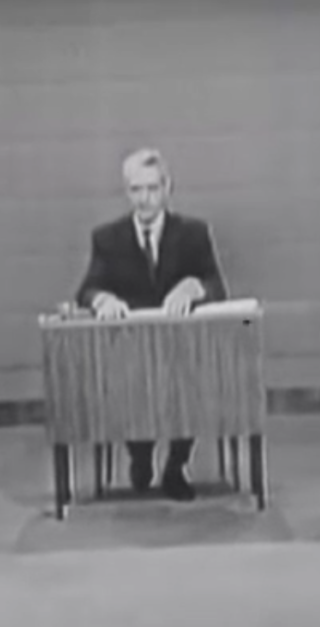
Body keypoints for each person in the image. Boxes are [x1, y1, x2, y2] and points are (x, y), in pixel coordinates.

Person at [75, 148, 228, 501]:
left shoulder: (193, 233)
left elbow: (218, 287)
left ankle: (176, 468)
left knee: (188, 381)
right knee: (130, 381)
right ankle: (140, 457)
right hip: (131, 350)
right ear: (127, 192)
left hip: (181, 348)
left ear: (167, 187)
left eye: (152, 189)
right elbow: (87, 288)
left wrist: (196, 288)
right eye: (136, 190)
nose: (144, 199)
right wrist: (101, 300)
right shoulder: (107, 238)